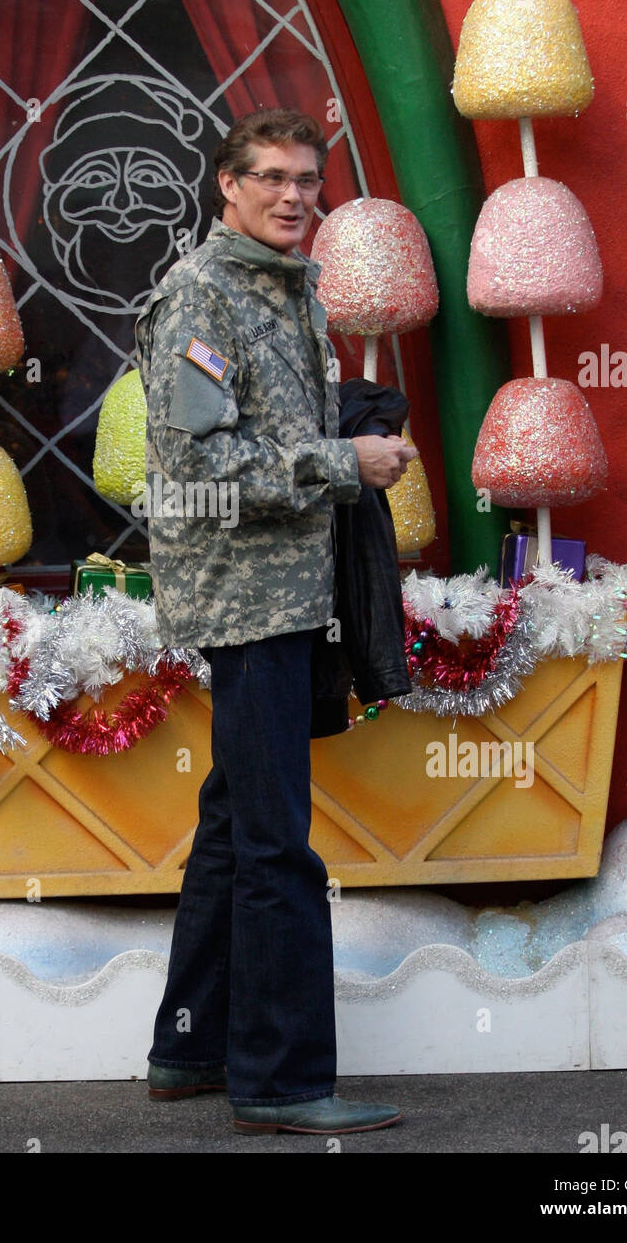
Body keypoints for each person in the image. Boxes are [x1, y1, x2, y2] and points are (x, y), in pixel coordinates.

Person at [133, 108, 417, 1135]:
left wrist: (344, 424)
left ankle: (189, 1047)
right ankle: (284, 1079)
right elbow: (197, 466)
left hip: (292, 593)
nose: (294, 195)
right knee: (274, 843)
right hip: (245, 602)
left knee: (229, 823)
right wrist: (345, 465)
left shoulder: (286, 290)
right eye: (271, 178)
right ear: (227, 186)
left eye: (307, 178)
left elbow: (261, 434)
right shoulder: (203, 298)